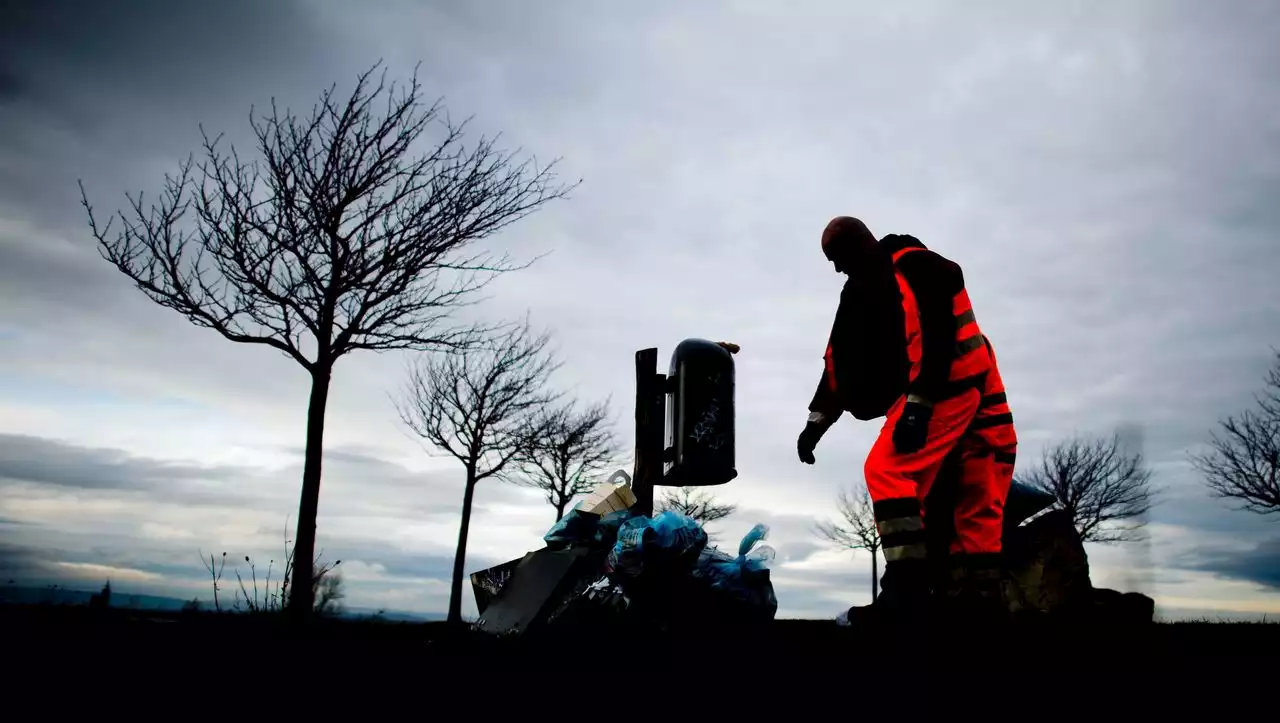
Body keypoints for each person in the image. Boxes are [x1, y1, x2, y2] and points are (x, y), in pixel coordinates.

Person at [797, 216, 1016, 623]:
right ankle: (966, 605)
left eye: (837, 257)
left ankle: (909, 594)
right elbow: (841, 360)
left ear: (859, 246)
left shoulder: (916, 268)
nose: (836, 269)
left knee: (887, 470)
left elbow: (936, 338)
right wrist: (816, 422)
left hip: (951, 390)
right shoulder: (861, 293)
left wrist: (919, 405)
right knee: (956, 497)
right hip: (948, 395)